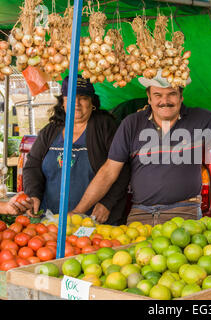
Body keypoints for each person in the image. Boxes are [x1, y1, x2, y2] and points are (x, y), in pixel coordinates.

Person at [69, 54, 211, 226]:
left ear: (181, 96)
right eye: (158, 95)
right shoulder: (132, 123)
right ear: (149, 98)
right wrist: (79, 211)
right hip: (141, 214)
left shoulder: (198, 118)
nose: (165, 101)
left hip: (184, 213)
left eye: (171, 93)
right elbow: (109, 171)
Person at [22, 75, 130, 225]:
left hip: (94, 219)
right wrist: (33, 195)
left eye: (83, 97)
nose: (77, 103)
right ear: (63, 103)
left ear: (92, 102)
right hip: (52, 218)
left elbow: (122, 168)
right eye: (70, 97)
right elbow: (32, 165)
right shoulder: (50, 131)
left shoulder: (105, 126)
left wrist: (107, 203)